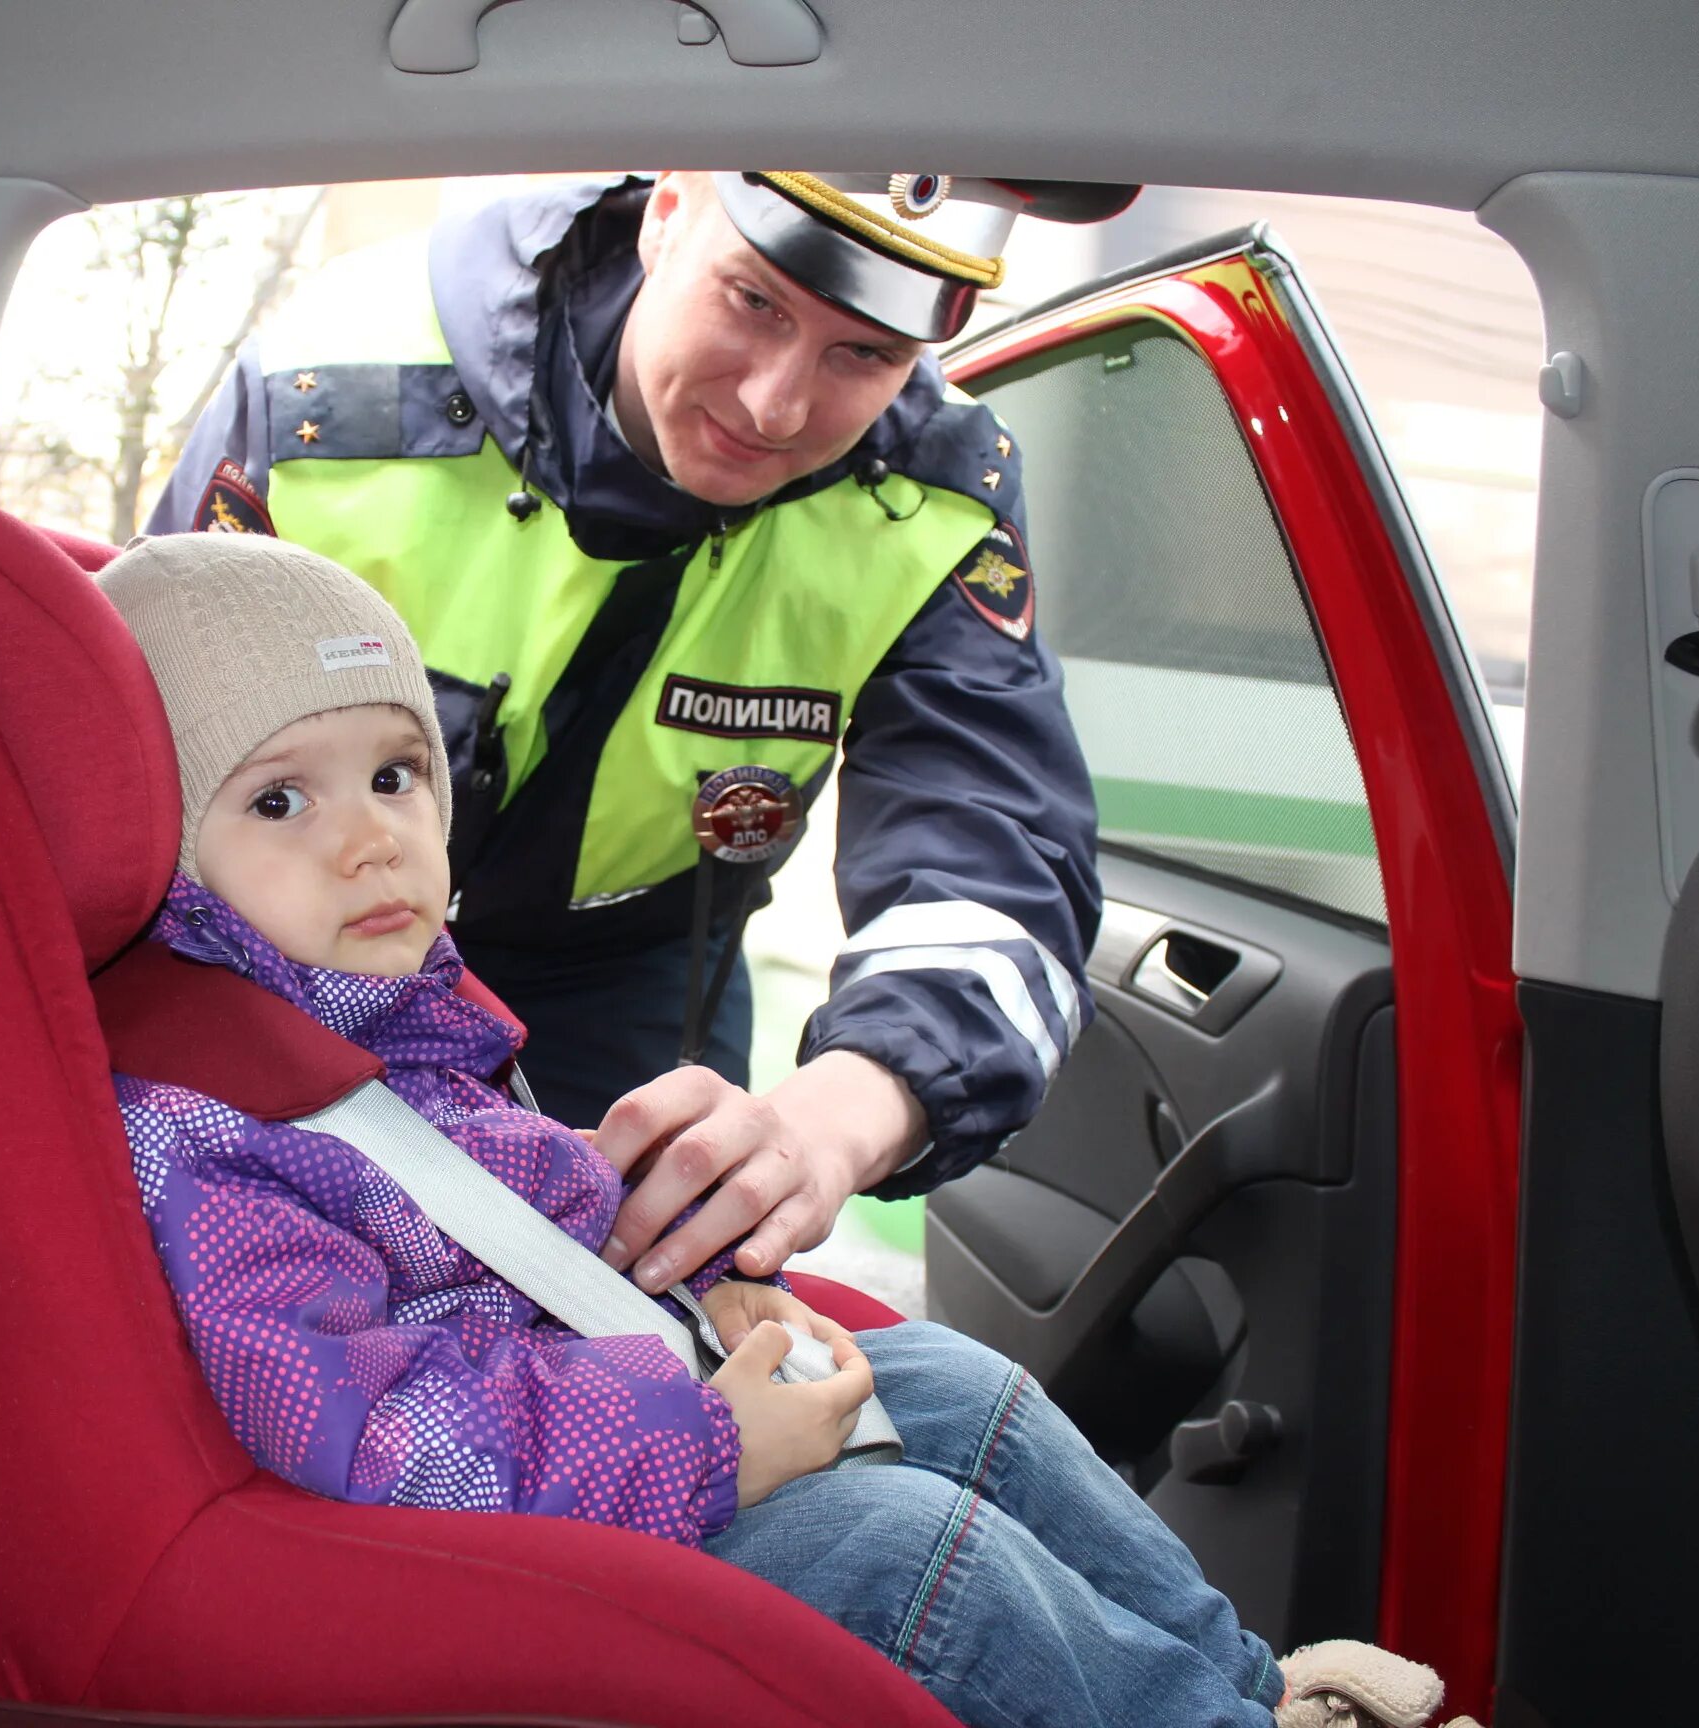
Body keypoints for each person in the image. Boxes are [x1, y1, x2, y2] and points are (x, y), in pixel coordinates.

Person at [93, 533, 1478, 1728]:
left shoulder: (385, 1015)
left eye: (396, 776)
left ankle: (1255, 1694)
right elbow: (349, 1423)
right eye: (280, 800)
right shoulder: (209, 1125)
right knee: (902, 1547)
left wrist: (692, 1288)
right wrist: (701, 1438)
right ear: (157, 845)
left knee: (956, 1385)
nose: (372, 841)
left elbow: (496, 1229)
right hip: (505, 1526)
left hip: (592, 1409)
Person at [149, 169, 1118, 1295]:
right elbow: (141, 768)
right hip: (279, 957)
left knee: (653, 1332)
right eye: (754, 301)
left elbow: (994, 857)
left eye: (865, 355)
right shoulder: (328, 393)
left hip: (631, 973)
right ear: (669, 213)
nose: (776, 406)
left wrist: (837, 1116)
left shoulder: (940, 499)